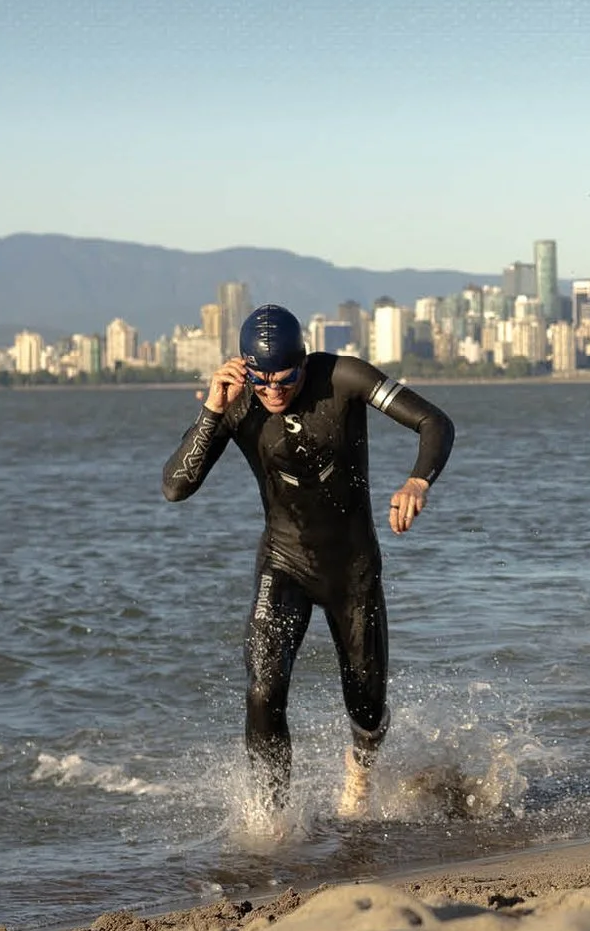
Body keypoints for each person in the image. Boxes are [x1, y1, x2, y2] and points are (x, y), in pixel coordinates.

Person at [161, 305, 453, 817]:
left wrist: (417, 481)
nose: (272, 392)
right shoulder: (235, 401)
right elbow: (175, 488)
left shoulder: (344, 376)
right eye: (261, 380)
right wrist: (211, 409)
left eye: (285, 379)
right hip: (284, 563)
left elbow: (434, 421)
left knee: (366, 706)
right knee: (263, 688)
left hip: (353, 571)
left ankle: (359, 776)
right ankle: (273, 819)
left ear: (303, 361)